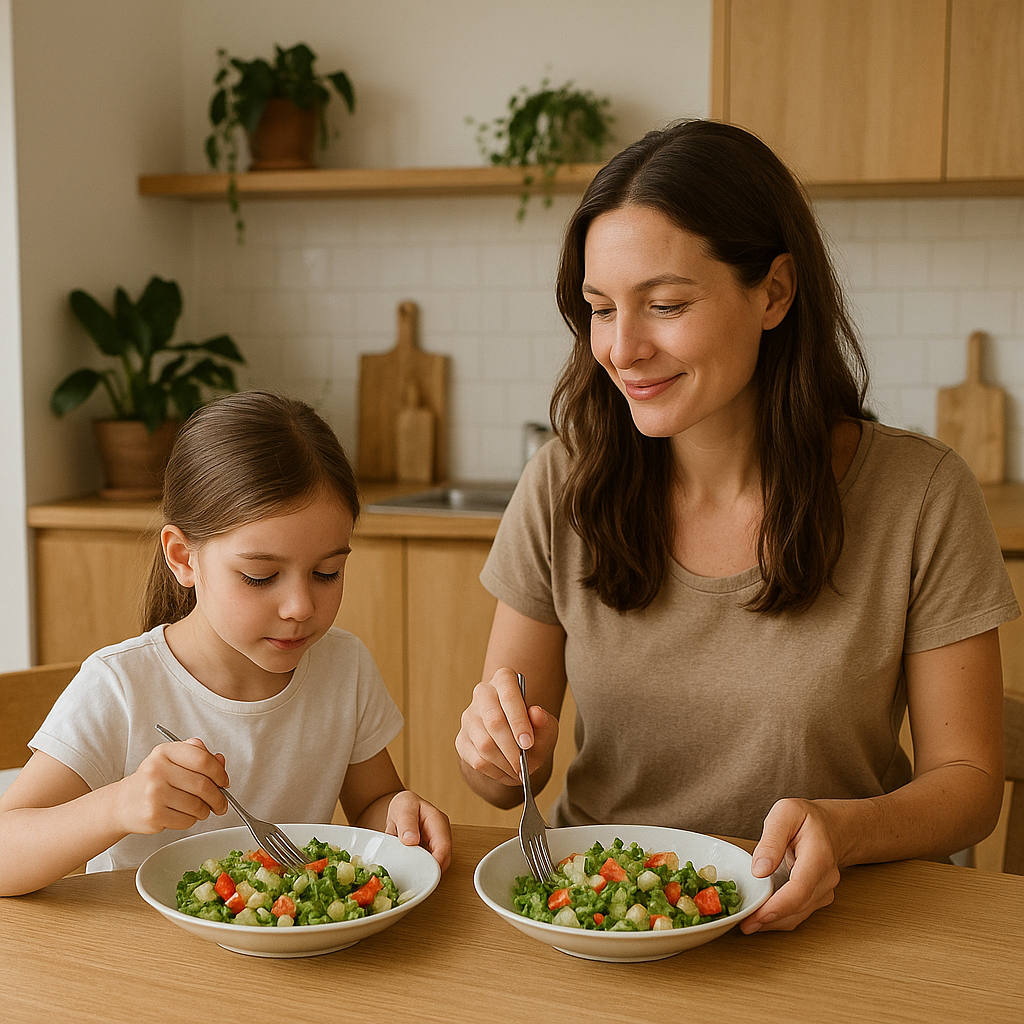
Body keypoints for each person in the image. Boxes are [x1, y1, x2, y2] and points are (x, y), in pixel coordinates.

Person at [455, 119, 1020, 933]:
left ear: (775, 293)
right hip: (598, 919)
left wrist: (848, 827)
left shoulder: (919, 495)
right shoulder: (562, 481)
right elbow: (506, 781)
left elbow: (967, 782)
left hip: (833, 918)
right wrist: (497, 754)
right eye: (600, 309)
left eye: (666, 305)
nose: (622, 347)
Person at [0, 391, 451, 896]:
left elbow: (375, 803)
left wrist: (399, 812)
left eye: (327, 572)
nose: (300, 606)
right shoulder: (121, 688)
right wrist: (118, 805)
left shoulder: (344, 667)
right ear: (183, 558)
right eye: (260, 576)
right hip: (142, 964)